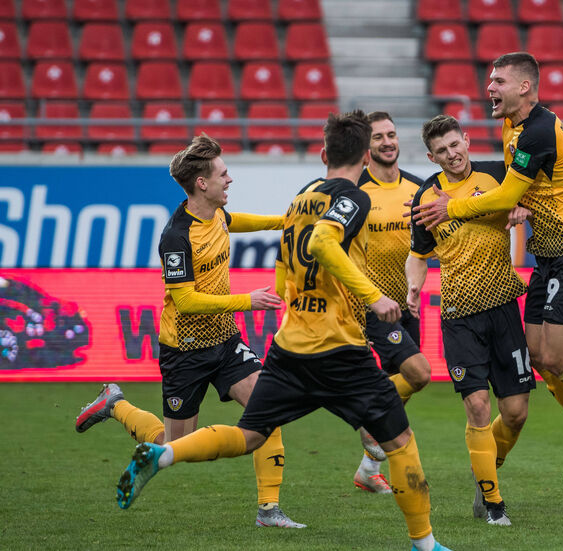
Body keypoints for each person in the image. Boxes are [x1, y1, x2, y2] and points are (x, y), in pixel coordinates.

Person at [114, 111, 452, 551]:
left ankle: (166, 455)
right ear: (366, 155)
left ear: (323, 153)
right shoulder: (352, 198)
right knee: (401, 441)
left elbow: (287, 252)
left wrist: (282, 292)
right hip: (338, 347)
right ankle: (424, 544)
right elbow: (322, 243)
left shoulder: (303, 196)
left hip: (290, 347)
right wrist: (373, 297)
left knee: (251, 432)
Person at [414, 52, 563, 482]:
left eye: (498, 81)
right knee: (540, 356)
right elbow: (517, 189)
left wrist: (455, 208)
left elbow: (503, 196)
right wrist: (522, 202)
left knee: (556, 355)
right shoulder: (513, 126)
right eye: (490, 81)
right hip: (549, 256)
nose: (490, 89)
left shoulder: (538, 130)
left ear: (524, 87)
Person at [74, 134, 304, 528]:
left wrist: (284, 222)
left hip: (226, 342)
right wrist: (247, 300)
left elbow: (236, 222)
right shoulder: (176, 237)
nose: (229, 179)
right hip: (185, 351)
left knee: (270, 408)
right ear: (202, 183)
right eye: (223, 173)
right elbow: (187, 302)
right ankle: (115, 404)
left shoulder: (215, 215)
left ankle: (269, 510)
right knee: (173, 444)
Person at [409, 115, 535, 526]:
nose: (451, 154)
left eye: (455, 144)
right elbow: (418, 252)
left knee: (515, 412)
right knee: (478, 407)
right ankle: (493, 502)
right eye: (441, 151)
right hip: (459, 315)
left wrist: (520, 209)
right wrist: (413, 288)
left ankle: (484, 470)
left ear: (466, 140)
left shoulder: (498, 174)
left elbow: (530, 200)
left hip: (503, 307)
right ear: (432, 156)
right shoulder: (427, 198)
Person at [351, 111, 432, 495]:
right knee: (418, 374)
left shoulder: (419, 191)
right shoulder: (356, 194)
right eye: (378, 137)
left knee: (400, 386)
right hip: (371, 308)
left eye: (392, 135)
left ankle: (368, 470)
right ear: (366, 149)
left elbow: (427, 249)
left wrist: (416, 288)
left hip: (408, 305)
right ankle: (368, 421)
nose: (387, 142)